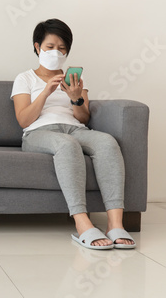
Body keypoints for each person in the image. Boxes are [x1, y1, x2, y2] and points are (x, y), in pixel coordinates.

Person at [10, 19, 136, 250]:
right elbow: (23, 120)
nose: (56, 52)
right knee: (67, 145)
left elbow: (83, 118)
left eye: (62, 48)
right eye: (50, 47)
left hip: (74, 129)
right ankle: (82, 223)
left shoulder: (74, 80)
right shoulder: (25, 78)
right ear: (38, 47)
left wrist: (76, 97)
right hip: (39, 133)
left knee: (107, 142)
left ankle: (115, 224)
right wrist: (46, 92)